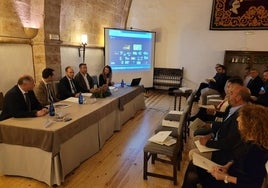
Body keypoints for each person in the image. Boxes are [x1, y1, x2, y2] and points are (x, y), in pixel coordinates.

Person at [182, 85, 251, 188]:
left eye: (231, 93)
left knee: (193, 159)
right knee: (193, 162)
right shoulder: (233, 108)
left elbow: (229, 143)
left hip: (222, 154)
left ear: (239, 98)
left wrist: (208, 142)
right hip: (220, 146)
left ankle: (202, 175)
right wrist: (211, 135)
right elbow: (224, 126)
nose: (228, 95)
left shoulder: (242, 115)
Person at [205, 104, 268, 188]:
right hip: (231, 173)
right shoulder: (246, 137)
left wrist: (225, 177)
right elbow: (237, 157)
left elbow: (253, 183)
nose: (237, 119)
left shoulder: (257, 150)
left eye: (240, 118)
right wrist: (227, 166)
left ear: (250, 124)